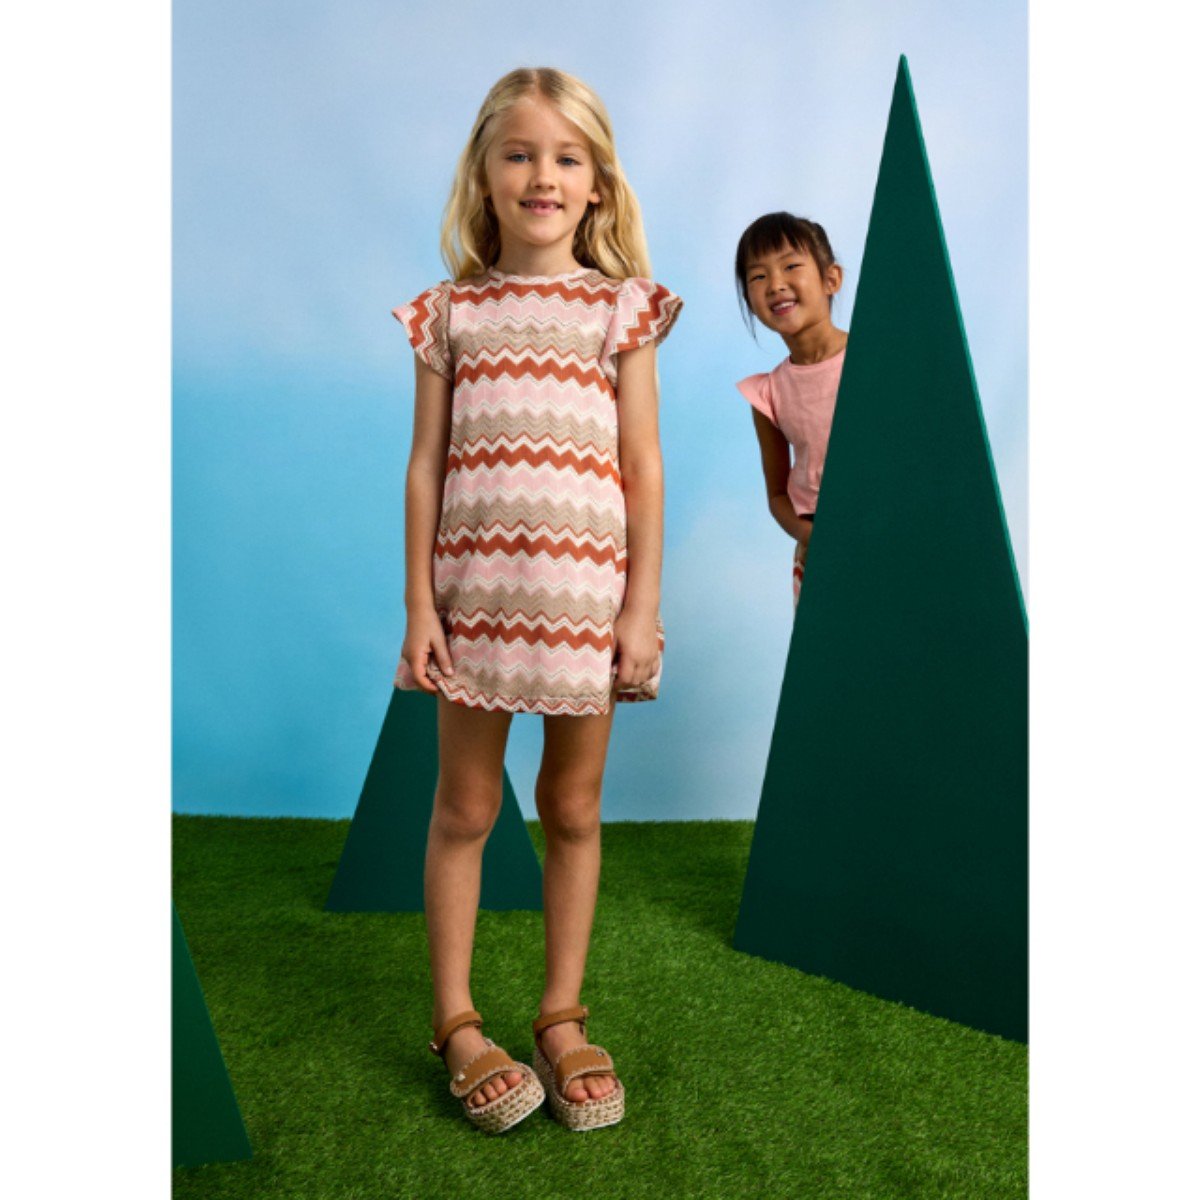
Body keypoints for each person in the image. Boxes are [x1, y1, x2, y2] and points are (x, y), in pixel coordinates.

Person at [392, 66, 681, 1133]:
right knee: (466, 809)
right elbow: (426, 467)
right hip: (473, 603)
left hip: (585, 606)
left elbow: (642, 466)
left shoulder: (621, 309)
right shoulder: (449, 314)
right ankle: (457, 1021)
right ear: (484, 175)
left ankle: (561, 1014)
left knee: (571, 807)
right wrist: (420, 609)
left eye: (566, 158)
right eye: (519, 155)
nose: (542, 176)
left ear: (598, 183)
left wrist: (639, 608)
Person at [734, 213, 847, 604]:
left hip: (890, 526)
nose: (775, 284)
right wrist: (813, 537)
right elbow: (778, 496)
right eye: (758, 276)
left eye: (791, 266)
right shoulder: (768, 394)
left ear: (831, 279)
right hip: (821, 550)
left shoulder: (871, 358)